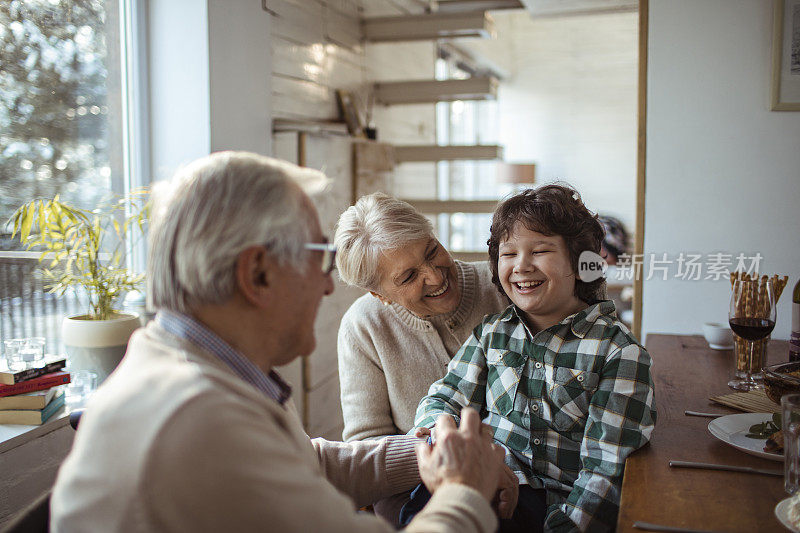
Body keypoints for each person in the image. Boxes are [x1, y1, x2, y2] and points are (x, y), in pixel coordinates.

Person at [49, 152, 511, 533]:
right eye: (317, 258)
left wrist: (427, 451)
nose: (328, 287)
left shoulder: (193, 371)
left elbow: (308, 463)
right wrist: (463, 492)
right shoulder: (199, 415)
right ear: (257, 274)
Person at [407, 185, 657, 532]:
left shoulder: (619, 353)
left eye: (539, 250)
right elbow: (443, 399)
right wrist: (449, 443)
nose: (522, 265)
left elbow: (607, 472)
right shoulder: (491, 334)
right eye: (508, 254)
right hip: (484, 482)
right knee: (418, 509)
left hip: (556, 509)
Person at [334, 193, 511, 522]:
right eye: (408, 277)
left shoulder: (505, 287)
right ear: (379, 294)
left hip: (525, 482)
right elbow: (369, 447)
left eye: (432, 251)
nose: (435, 275)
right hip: (415, 497)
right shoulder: (362, 327)